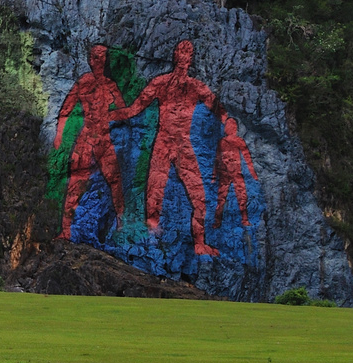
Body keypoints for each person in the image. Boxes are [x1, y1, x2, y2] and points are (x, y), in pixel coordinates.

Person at [113, 39, 219, 256]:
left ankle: (199, 243)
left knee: (199, 195)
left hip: (184, 144)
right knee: (154, 188)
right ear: (174, 55)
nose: (183, 56)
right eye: (180, 51)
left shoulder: (196, 87)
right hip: (163, 140)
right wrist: (111, 115)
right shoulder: (160, 83)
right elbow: (135, 108)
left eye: (187, 52)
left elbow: (219, 110)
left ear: (191, 59)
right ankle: (151, 231)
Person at [54, 45, 127, 240]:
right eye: (96, 57)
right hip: (86, 139)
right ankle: (66, 230)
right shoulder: (84, 82)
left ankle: (121, 223)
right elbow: (66, 109)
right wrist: (59, 135)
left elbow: (123, 111)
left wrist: (111, 115)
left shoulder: (111, 85)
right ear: (90, 59)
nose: (99, 60)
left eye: (103, 57)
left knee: (115, 180)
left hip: (104, 138)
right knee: (76, 181)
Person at [215, 116, 258, 227]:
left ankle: (221, 221)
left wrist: (253, 174)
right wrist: (253, 174)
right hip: (230, 173)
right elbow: (247, 158)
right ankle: (220, 221)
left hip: (232, 173)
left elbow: (247, 158)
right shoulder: (228, 141)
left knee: (230, 197)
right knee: (235, 196)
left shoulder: (231, 141)